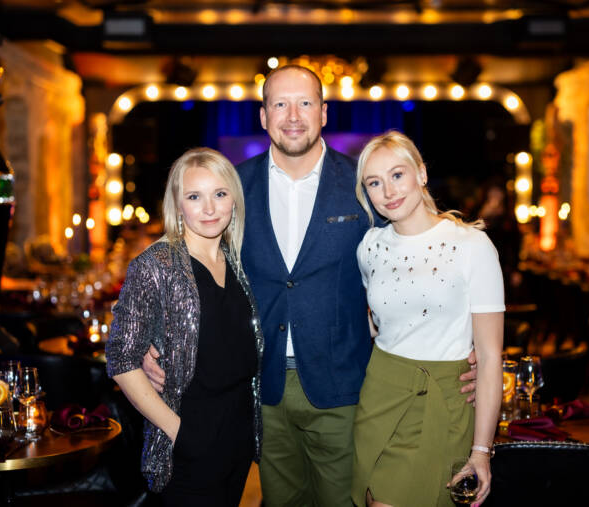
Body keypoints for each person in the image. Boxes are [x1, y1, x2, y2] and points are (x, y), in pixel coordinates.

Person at [142, 66, 478, 506]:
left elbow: (415, 259)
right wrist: (154, 335)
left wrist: (460, 343)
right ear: (263, 117)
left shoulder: (362, 185)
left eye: (304, 103)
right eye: (280, 104)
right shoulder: (233, 187)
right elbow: (187, 262)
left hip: (343, 385)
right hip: (261, 388)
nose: (293, 115)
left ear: (324, 112)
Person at [351, 131, 504, 507]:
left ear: (421, 174)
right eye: (374, 182)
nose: (388, 190)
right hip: (380, 392)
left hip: (440, 398)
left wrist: (482, 450)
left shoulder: (472, 246)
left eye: (397, 175)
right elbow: (381, 321)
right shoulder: (370, 246)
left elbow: (489, 357)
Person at [105, 147, 263, 506]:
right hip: (188, 444)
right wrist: (179, 433)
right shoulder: (155, 265)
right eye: (195, 196)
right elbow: (120, 359)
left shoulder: (239, 260)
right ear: (177, 205)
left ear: (234, 200)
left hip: (239, 439)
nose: (209, 208)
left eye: (220, 194)